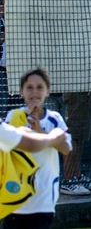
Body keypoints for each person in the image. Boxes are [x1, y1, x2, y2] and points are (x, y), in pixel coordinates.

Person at [5, 68, 71, 228]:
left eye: (39, 87)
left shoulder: (55, 119)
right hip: (15, 197)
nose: (34, 92)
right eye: (29, 87)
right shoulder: (13, 116)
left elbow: (66, 148)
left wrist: (40, 130)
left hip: (43, 199)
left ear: (48, 91)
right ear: (21, 92)